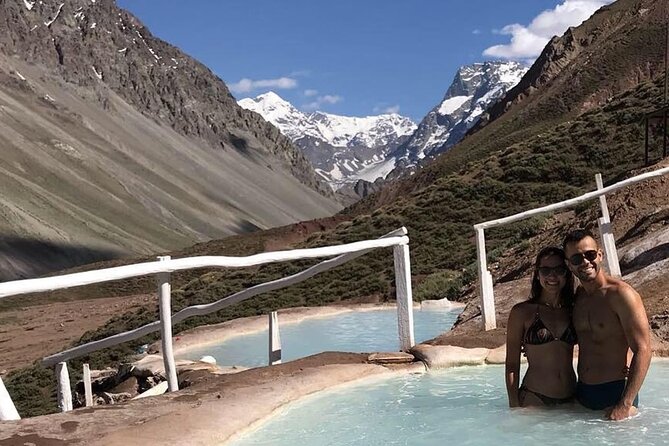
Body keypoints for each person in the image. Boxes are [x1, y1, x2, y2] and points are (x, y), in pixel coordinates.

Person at [563, 229, 651, 420]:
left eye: (590, 254)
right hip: (582, 393)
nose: (585, 261)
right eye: (577, 258)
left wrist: (625, 404)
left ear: (600, 255)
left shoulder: (621, 295)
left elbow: (643, 348)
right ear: (569, 265)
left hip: (615, 394)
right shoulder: (578, 297)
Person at [506, 246, 577, 407]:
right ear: (537, 275)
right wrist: (514, 404)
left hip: (572, 397)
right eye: (545, 270)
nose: (552, 275)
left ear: (567, 272)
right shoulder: (521, 312)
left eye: (559, 270)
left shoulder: (573, 310)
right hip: (535, 397)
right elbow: (512, 363)